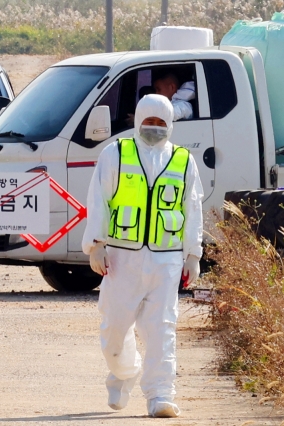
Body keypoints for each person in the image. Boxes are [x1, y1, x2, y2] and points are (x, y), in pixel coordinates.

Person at [82, 94, 203, 418]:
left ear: (170, 125)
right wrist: (97, 244)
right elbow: (99, 199)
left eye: (161, 123)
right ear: (138, 122)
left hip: (166, 260)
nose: (154, 128)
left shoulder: (182, 160)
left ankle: (160, 395)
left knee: (161, 329)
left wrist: (193, 253)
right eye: (148, 122)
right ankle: (124, 372)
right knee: (113, 332)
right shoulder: (116, 154)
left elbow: (192, 208)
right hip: (123, 259)